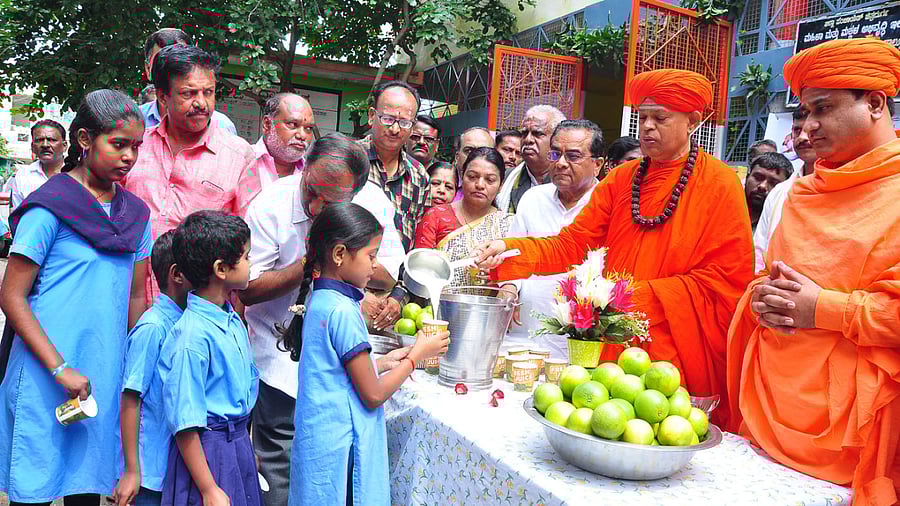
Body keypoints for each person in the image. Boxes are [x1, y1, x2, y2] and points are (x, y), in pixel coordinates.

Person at [475, 70, 754, 429]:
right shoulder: (622, 180)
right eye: (643, 117)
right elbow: (571, 243)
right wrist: (508, 249)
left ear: (693, 122)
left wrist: (635, 297)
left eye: (660, 118)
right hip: (617, 338)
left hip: (678, 346)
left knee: (666, 434)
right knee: (607, 426)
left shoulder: (721, 184)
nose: (648, 127)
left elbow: (726, 280)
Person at [726, 38, 900, 505]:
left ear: (876, 103)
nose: (808, 127)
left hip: (855, 436)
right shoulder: (799, 193)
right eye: (803, 112)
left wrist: (823, 308)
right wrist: (760, 297)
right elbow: (777, 279)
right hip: (767, 410)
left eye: (822, 108)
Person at [0, 89, 152, 506]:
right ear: (84, 140)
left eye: (135, 147)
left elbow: (136, 297)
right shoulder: (49, 208)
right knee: (33, 488)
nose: (129, 156)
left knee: (85, 491)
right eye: (118, 144)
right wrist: (60, 368)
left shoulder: (137, 216)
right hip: (43, 369)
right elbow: (11, 297)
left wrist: (134, 368)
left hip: (102, 372)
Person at [239, 133, 405, 506]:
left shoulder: (373, 205)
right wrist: (311, 264)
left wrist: (345, 266)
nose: (314, 206)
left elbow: (390, 271)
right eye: (310, 189)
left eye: (330, 202)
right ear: (304, 168)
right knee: (278, 469)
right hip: (278, 361)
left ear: (355, 194)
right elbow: (246, 288)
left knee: (329, 475)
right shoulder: (270, 206)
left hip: (338, 371)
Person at [281, 202, 449, 505]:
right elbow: (372, 394)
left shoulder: (321, 298)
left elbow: (334, 367)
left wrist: (384, 362)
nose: (375, 265)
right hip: (340, 448)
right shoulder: (344, 311)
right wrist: (415, 357)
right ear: (340, 254)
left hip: (319, 440)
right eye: (371, 255)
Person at [125, 44, 260, 304]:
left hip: (198, 314)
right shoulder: (135, 148)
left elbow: (244, 245)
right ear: (162, 97)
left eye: (208, 92)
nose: (201, 103)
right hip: (129, 305)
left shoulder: (239, 156)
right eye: (188, 93)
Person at [157, 211, 262, 506]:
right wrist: (208, 489)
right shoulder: (191, 338)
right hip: (207, 454)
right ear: (221, 269)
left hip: (234, 445)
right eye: (246, 257)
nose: (251, 263)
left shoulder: (231, 320)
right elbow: (185, 425)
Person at [498, 120, 605, 357]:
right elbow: (513, 257)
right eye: (555, 153)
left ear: (597, 164)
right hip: (525, 332)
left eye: (574, 156)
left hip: (582, 341)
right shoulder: (533, 199)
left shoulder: (608, 207)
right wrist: (508, 288)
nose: (561, 163)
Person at [114, 230, 191, 506]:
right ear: (177, 274)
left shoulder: (186, 323)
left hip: (170, 467)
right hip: (148, 473)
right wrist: (132, 470)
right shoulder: (153, 328)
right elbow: (130, 398)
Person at [416, 147, 513, 287]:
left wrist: (495, 274)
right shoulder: (437, 216)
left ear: (500, 186)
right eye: (472, 177)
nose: (480, 185)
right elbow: (420, 270)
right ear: (462, 177)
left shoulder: (508, 224)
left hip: (489, 306)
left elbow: (515, 277)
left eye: (490, 180)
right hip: (437, 305)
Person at [360, 80, 430, 252]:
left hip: (396, 275)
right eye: (388, 119)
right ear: (371, 116)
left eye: (405, 122)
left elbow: (417, 231)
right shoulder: (349, 159)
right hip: (347, 274)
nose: (395, 129)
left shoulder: (419, 175)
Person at [753, 107, 818, 272]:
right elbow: (759, 253)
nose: (803, 137)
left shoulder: (847, 189)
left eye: (811, 129)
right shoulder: (779, 192)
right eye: (797, 130)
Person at [140, 28, 237, 136]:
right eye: (162, 62)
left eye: (181, 61)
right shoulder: (133, 122)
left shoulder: (222, 126)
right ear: (148, 69)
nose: (173, 70)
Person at [496, 105, 566, 213]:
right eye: (524, 133)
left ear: (557, 140)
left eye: (537, 133)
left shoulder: (568, 180)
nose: (528, 140)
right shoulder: (505, 177)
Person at [252, 93, 315, 187]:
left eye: (308, 128)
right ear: (267, 124)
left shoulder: (312, 175)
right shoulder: (242, 161)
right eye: (293, 124)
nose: (302, 135)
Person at [9, 120, 67, 210]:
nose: (45, 145)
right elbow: (17, 216)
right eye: (39, 140)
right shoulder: (23, 176)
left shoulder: (77, 174)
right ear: (32, 147)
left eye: (51, 140)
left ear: (64, 145)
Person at [743, 152, 792, 233]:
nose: (762, 186)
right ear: (747, 177)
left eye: (773, 183)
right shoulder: (722, 210)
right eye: (757, 178)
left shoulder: (784, 228)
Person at [449, 126, 494, 203]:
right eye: (468, 150)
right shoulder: (441, 183)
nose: (475, 157)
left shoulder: (499, 190)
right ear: (457, 157)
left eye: (483, 151)